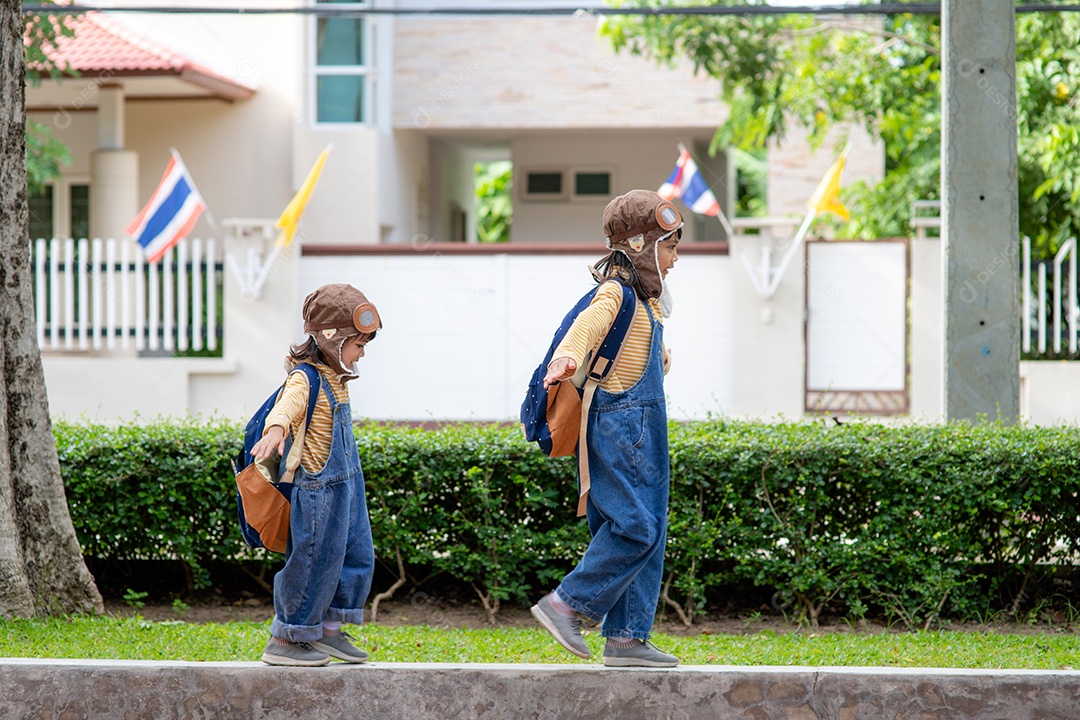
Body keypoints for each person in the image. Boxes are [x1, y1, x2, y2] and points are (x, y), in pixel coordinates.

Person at [530, 189, 682, 668]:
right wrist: (567, 356)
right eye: (671, 247)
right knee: (636, 529)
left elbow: (637, 353)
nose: (675, 261)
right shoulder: (615, 291)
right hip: (621, 428)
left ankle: (627, 638)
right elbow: (588, 324)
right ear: (641, 245)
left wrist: (661, 359)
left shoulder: (645, 302)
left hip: (643, 426)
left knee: (646, 532)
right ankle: (566, 605)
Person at [250, 283, 382, 667]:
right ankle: (288, 637)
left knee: (356, 555)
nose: (361, 354)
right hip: (318, 490)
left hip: (346, 488)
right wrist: (275, 430)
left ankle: (329, 629)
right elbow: (287, 405)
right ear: (331, 338)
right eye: (358, 345)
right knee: (312, 560)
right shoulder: (305, 377)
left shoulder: (337, 378)